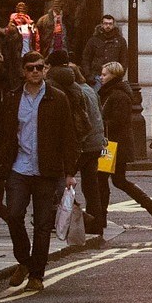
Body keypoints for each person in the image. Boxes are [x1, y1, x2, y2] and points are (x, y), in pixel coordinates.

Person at [0, 51, 81, 294]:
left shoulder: (58, 98)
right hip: (18, 168)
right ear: (23, 71)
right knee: (14, 215)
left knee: (42, 225)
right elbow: (3, 137)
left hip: (46, 171)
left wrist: (70, 172)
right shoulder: (11, 99)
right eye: (30, 68)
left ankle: (36, 275)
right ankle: (25, 260)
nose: (35, 72)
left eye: (39, 67)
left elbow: (68, 137)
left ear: (46, 69)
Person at [97, 61, 152, 228]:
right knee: (117, 181)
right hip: (113, 145)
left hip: (113, 146)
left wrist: (101, 123)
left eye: (105, 74)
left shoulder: (118, 95)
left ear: (113, 76)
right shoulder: (111, 92)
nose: (101, 77)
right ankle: (151, 206)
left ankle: (101, 217)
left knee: (102, 180)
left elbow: (117, 121)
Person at [50, 57, 107, 238]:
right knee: (91, 187)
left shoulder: (74, 93)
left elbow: (80, 122)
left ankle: (78, 218)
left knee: (63, 184)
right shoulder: (90, 90)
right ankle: (96, 224)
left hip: (84, 144)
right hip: (96, 143)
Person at [81, 14, 128, 85]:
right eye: (105, 23)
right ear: (102, 24)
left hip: (113, 77)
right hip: (96, 76)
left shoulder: (121, 41)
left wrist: (120, 75)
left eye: (110, 24)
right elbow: (86, 59)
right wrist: (88, 75)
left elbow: (124, 60)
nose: (108, 26)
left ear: (113, 25)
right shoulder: (93, 40)